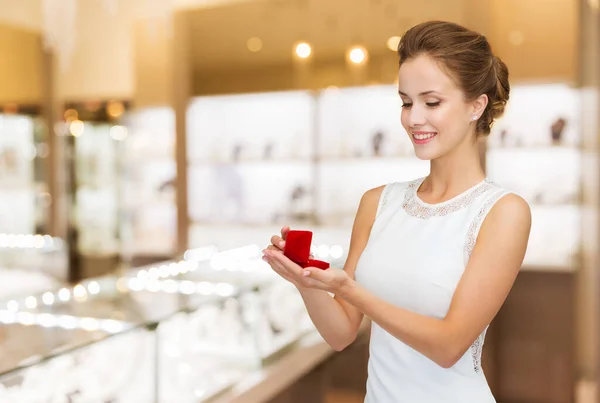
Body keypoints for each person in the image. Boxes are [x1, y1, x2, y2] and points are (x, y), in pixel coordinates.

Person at [262, 20, 531, 402]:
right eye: (406, 102)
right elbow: (341, 335)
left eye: (431, 102)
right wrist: (307, 283)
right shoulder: (378, 202)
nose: (413, 118)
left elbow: (448, 346)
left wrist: (352, 292)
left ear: (477, 105)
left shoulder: (503, 212)